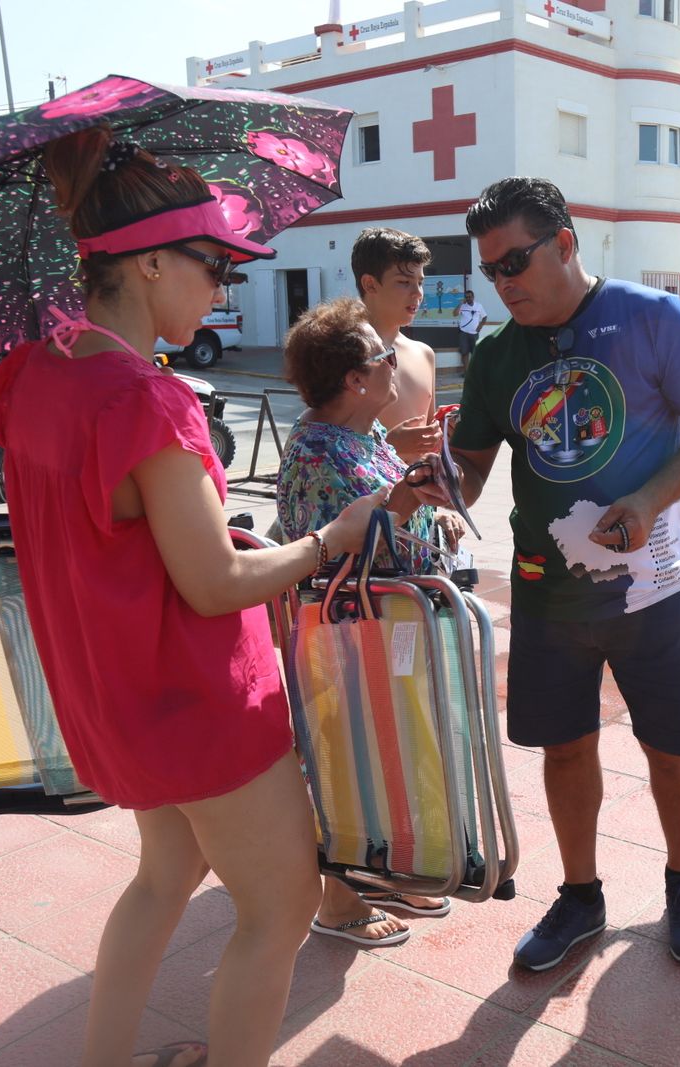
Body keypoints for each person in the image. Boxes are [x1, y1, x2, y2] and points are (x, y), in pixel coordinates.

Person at [0, 127, 381, 1067]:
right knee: (280, 907)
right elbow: (213, 584)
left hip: (111, 695)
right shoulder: (149, 399)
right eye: (215, 265)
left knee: (163, 877)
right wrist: (328, 540)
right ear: (151, 261)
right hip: (200, 704)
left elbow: (108, 526)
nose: (223, 288)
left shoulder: (33, 373)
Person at [421, 177, 680, 971]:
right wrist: (436, 477)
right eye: (490, 270)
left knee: (674, 747)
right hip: (549, 594)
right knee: (565, 750)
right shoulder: (499, 355)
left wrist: (649, 498)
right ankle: (580, 894)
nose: (503, 283)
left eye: (515, 262)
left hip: (652, 588)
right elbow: (472, 468)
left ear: (564, 243)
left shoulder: (651, 317)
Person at [275, 296, 465, 946]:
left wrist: (434, 513)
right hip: (349, 640)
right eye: (384, 357)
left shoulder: (363, 434)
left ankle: (388, 869)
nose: (395, 363)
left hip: (391, 631)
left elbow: (389, 508)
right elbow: (342, 553)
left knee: (391, 753)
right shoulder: (316, 451)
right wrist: (408, 500)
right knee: (350, 760)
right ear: (355, 379)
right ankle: (340, 901)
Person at [353, 227, 443, 463]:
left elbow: (431, 443)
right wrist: (390, 445)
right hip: (365, 487)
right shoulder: (344, 353)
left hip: (419, 486)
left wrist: (444, 432)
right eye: (404, 282)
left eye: (420, 282)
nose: (417, 293)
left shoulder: (424, 354)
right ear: (370, 284)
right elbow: (323, 444)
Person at [456, 287, 486, 361]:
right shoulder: (462, 306)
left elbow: (484, 317)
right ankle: (466, 369)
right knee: (464, 353)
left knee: (475, 353)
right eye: (466, 297)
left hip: (474, 334)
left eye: (469, 297)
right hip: (464, 333)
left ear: (473, 297)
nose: (468, 298)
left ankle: (474, 368)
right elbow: (455, 314)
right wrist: (460, 304)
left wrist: (480, 326)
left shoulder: (479, 306)